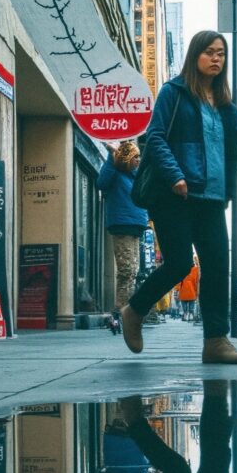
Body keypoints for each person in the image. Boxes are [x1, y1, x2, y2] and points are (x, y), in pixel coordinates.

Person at [121, 31, 237, 364]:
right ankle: (134, 311)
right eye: (209, 52)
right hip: (175, 194)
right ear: (195, 56)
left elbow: (232, 142)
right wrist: (175, 174)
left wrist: (232, 116)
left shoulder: (222, 104)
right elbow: (156, 137)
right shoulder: (174, 92)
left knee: (218, 265)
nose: (216, 59)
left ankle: (216, 341)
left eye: (221, 54)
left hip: (211, 197)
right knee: (179, 263)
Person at [96, 140, 149, 332]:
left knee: (132, 271)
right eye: (134, 156)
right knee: (127, 270)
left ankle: (124, 311)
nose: (138, 160)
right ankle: (120, 313)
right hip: (122, 223)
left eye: (138, 156)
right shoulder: (114, 172)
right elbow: (101, 183)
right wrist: (112, 157)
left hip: (135, 225)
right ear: (126, 157)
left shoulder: (137, 175)